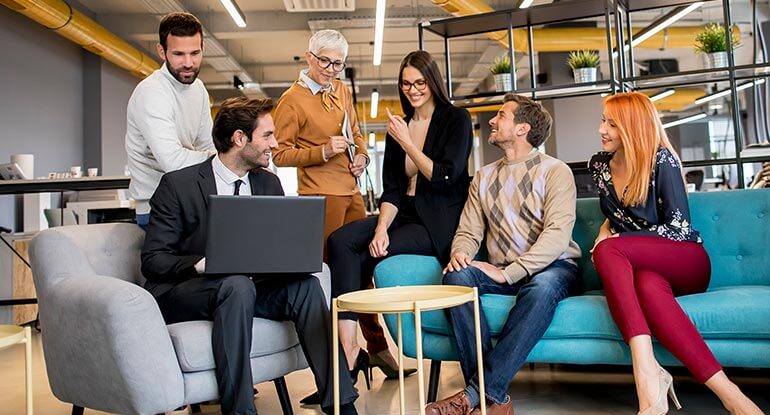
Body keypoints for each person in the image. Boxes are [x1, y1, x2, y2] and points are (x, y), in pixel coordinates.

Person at [141, 97, 358, 415]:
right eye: (267, 135)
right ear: (239, 138)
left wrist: (291, 259)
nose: (275, 144)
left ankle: (342, 404)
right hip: (187, 291)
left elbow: (275, 248)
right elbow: (153, 260)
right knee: (236, 284)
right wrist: (202, 265)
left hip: (245, 290)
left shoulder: (268, 183)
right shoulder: (178, 185)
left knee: (307, 287)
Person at [590, 92, 763, 415]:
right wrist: (605, 229)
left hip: (685, 259)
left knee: (609, 251)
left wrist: (615, 240)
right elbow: (616, 213)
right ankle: (732, 396)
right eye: (603, 121)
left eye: (612, 124)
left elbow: (679, 227)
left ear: (632, 127)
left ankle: (645, 371)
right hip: (644, 267)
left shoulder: (662, 160)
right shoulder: (600, 166)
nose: (602, 129)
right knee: (645, 285)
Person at [426, 93, 582, 415]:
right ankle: (493, 399)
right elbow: (468, 232)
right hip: (503, 271)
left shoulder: (555, 171)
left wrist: (509, 272)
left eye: (501, 115)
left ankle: (475, 396)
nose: (493, 121)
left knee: (541, 288)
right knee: (456, 277)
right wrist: (461, 254)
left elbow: (556, 236)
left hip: (554, 268)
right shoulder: (483, 177)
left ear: (523, 129)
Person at [327, 50, 473, 387]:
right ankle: (349, 349)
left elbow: (445, 176)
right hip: (402, 213)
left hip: (437, 223)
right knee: (341, 241)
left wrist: (408, 143)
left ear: (433, 82)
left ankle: (361, 355)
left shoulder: (456, 119)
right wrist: (381, 227)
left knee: (364, 256)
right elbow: (391, 189)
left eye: (420, 83)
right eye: (406, 84)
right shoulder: (400, 126)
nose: (413, 90)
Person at [273, 29, 407, 395]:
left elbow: (357, 133)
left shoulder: (341, 90)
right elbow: (279, 154)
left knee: (361, 275)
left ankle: (376, 348)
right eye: (325, 61)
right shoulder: (291, 100)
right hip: (320, 198)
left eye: (338, 64)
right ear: (309, 57)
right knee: (330, 283)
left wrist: (361, 155)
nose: (331, 69)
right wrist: (322, 152)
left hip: (352, 194)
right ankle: (337, 367)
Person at [125, 12, 215, 229]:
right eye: (178, 54)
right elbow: (173, 161)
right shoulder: (152, 92)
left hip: (191, 201)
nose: (188, 63)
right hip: (157, 209)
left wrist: (223, 159)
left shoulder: (199, 89)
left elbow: (207, 144)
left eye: (195, 53)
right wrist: (227, 160)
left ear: (203, 48)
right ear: (161, 51)